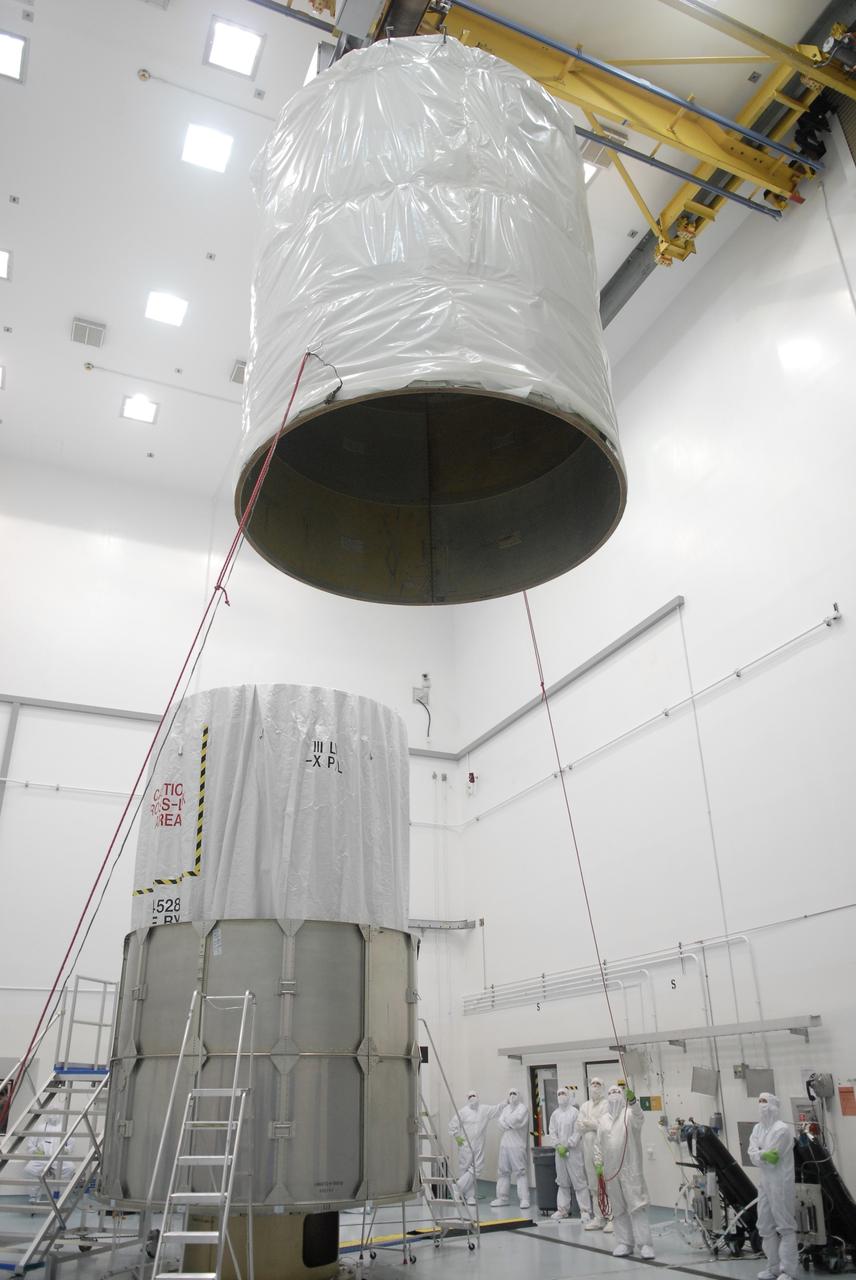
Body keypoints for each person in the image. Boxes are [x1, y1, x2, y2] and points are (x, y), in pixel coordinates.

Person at [594, 1085, 655, 1259]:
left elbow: (640, 1117)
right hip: (611, 1171)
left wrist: (634, 1102)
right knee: (619, 1208)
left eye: (617, 1092)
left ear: (623, 1096)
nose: (614, 1094)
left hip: (631, 1169)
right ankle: (625, 1243)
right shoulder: (603, 1120)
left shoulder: (629, 1114)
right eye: (611, 1092)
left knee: (637, 1207)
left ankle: (645, 1245)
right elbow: (598, 1144)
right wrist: (598, 1164)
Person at [748, 1092, 797, 1280]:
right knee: (765, 1226)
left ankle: (789, 1271)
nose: (762, 1106)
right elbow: (752, 1154)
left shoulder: (781, 1129)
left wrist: (759, 1155)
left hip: (780, 1182)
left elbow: (772, 1159)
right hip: (765, 1182)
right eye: (759, 1101)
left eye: (765, 1102)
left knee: (785, 1226)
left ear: (774, 1105)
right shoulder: (758, 1129)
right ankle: (773, 1267)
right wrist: (761, 1155)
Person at [543, 1085, 593, 1222]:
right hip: (559, 1153)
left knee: (579, 1181)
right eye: (559, 1094)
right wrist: (558, 1145)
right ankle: (562, 1210)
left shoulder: (575, 1112)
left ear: (569, 1095)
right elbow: (552, 1131)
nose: (561, 1096)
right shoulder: (555, 1114)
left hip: (573, 1152)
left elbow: (578, 1131)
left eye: (563, 1093)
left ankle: (585, 1211)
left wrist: (569, 1144)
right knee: (562, 1182)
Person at [448, 1091, 504, 1206]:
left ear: (478, 1097)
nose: (472, 1098)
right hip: (465, 1145)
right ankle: (469, 1197)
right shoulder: (463, 1112)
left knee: (476, 1168)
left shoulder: (484, 1110)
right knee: (465, 1169)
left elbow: (497, 1109)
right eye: (470, 1096)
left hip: (478, 1144)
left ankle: (457, 1187)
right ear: (467, 1099)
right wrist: (458, 1138)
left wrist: (507, 1102)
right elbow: (453, 1125)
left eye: (474, 1096)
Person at [490, 1088, 531, 1210]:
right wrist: (508, 1124)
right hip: (505, 1144)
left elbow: (516, 1121)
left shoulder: (522, 1108)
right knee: (503, 1171)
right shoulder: (506, 1109)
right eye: (510, 1094)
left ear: (518, 1096)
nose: (512, 1096)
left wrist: (507, 1123)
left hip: (517, 1145)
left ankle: (524, 1199)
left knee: (521, 1172)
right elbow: (500, 1123)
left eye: (514, 1094)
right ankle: (502, 1198)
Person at [578, 1076, 610, 1231]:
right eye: (593, 1084)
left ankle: (612, 1217)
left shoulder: (607, 1104)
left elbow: (605, 1126)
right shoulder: (585, 1106)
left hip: (603, 1149)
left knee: (607, 1184)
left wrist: (590, 1124)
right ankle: (599, 1217)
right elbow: (579, 1125)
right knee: (593, 1185)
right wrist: (592, 1125)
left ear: (603, 1087)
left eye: (598, 1084)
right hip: (588, 1149)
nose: (595, 1086)